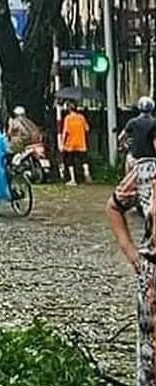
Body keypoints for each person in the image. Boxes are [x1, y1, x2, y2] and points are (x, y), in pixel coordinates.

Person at [107, 157, 156, 385]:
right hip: (153, 278)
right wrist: (130, 250)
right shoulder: (145, 173)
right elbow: (114, 206)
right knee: (151, 354)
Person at [60, 101, 92, 185]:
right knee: (84, 159)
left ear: (68, 109)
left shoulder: (68, 118)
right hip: (81, 143)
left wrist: (62, 144)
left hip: (71, 144)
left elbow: (65, 132)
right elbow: (87, 129)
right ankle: (86, 172)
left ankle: (73, 179)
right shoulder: (81, 117)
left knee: (70, 161)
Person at [122, 97, 156, 170]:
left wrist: (124, 145)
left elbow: (121, 137)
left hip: (135, 158)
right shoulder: (154, 122)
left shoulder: (132, 122)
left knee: (128, 162)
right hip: (153, 158)